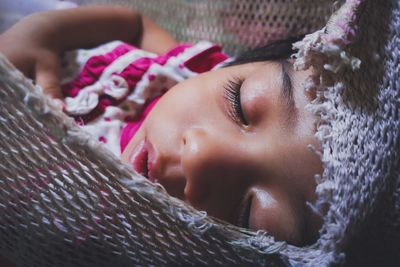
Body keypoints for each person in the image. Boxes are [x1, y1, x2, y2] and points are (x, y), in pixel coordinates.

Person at [0, 5, 323, 246]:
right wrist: (44, 32)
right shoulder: (190, 69)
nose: (199, 155)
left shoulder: (102, 244)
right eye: (240, 104)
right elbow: (136, 25)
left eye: (248, 216)